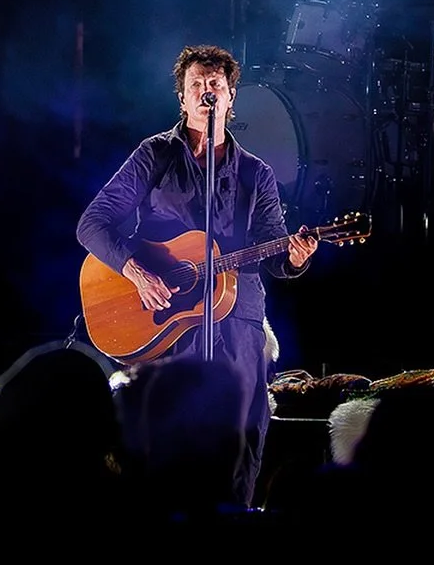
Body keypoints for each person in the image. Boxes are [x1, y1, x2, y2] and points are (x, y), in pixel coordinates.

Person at [76, 43, 318, 508]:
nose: (207, 92)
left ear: (231, 99)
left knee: (242, 436)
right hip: (168, 321)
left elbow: (274, 252)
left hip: (239, 322)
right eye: (196, 86)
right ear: (183, 100)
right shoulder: (156, 155)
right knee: (167, 436)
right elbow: (92, 223)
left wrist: (296, 256)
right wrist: (137, 271)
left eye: (216, 86)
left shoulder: (256, 173)